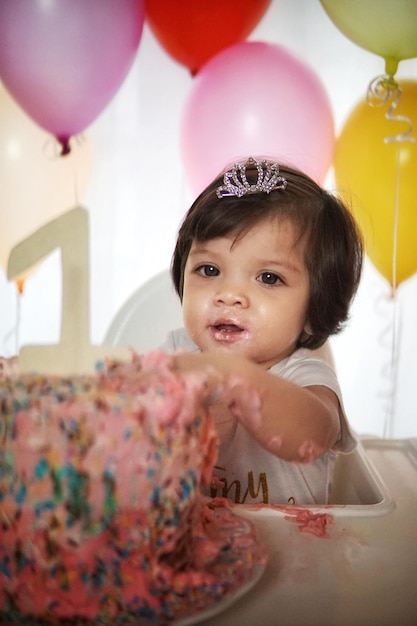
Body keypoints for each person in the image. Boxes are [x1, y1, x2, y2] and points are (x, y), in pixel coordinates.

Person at [160, 157, 363, 505]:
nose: (229, 295)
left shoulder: (305, 375)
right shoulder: (177, 352)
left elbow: (311, 435)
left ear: (314, 310)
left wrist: (232, 377)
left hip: (292, 555)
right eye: (209, 270)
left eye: (269, 277)